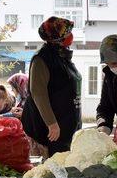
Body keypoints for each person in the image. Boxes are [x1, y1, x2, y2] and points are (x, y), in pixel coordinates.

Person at [22, 17, 81, 156]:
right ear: (57, 38)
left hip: (66, 128)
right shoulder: (42, 59)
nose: (70, 36)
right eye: (67, 34)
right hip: (50, 132)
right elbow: (38, 93)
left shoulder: (61, 56)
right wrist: (51, 123)